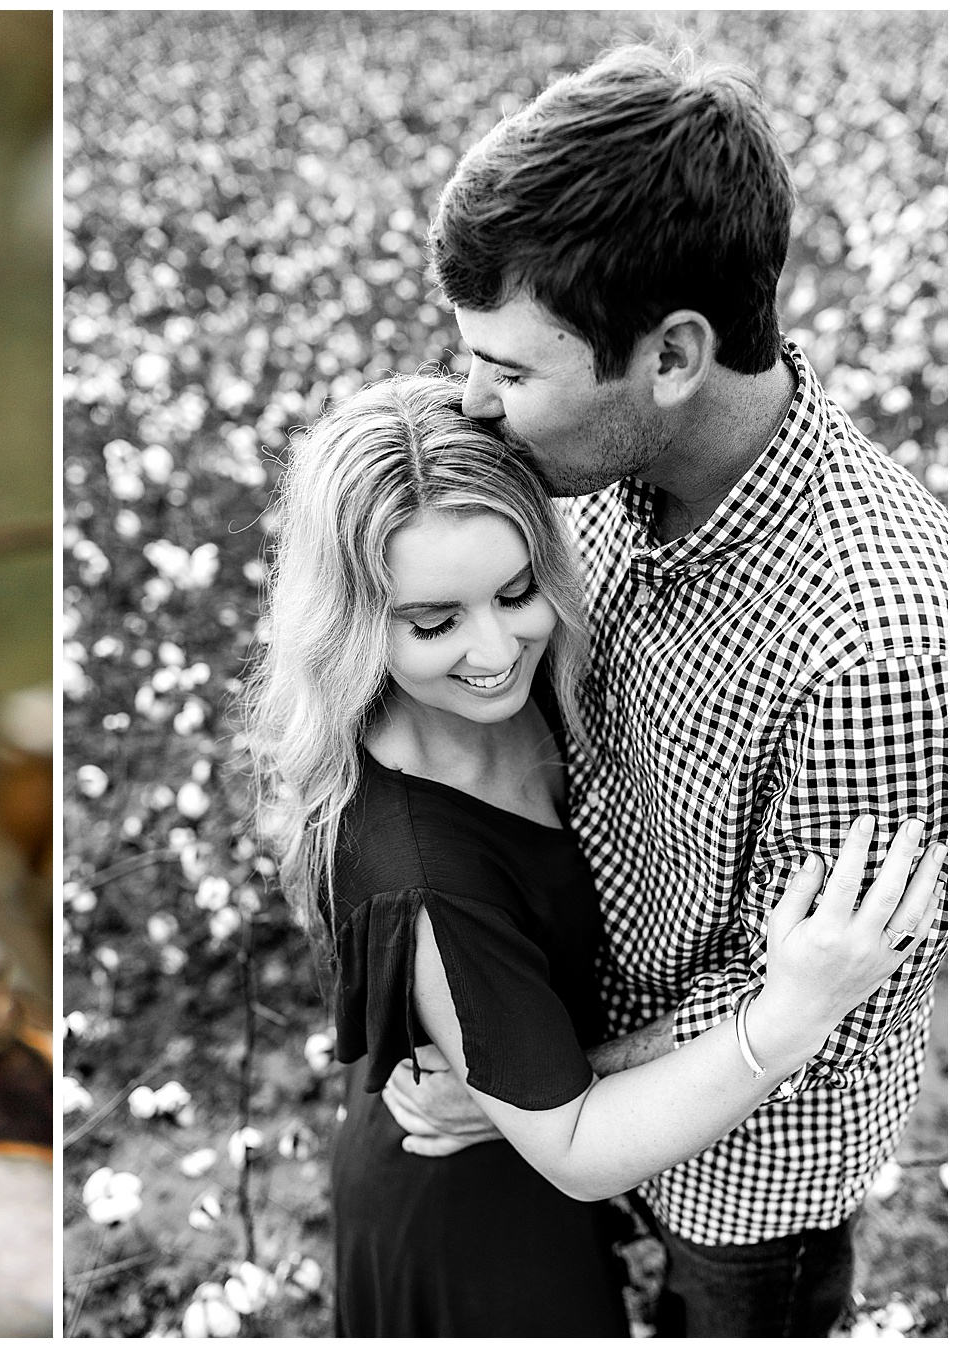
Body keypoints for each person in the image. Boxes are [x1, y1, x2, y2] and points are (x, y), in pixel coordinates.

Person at [378, 44, 950, 1336]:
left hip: (738, 1177)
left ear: (673, 356)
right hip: (569, 1086)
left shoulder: (875, 642)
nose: (473, 403)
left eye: (511, 371)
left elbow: (813, 1001)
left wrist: (527, 1081)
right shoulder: (597, 476)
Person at [239, 373, 941, 1336]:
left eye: (518, 590)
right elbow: (572, 1143)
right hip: (476, 1219)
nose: (494, 647)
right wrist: (790, 1012)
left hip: (531, 1154)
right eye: (434, 621)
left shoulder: (518, 688)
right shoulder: (420, 874)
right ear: (355, 625)